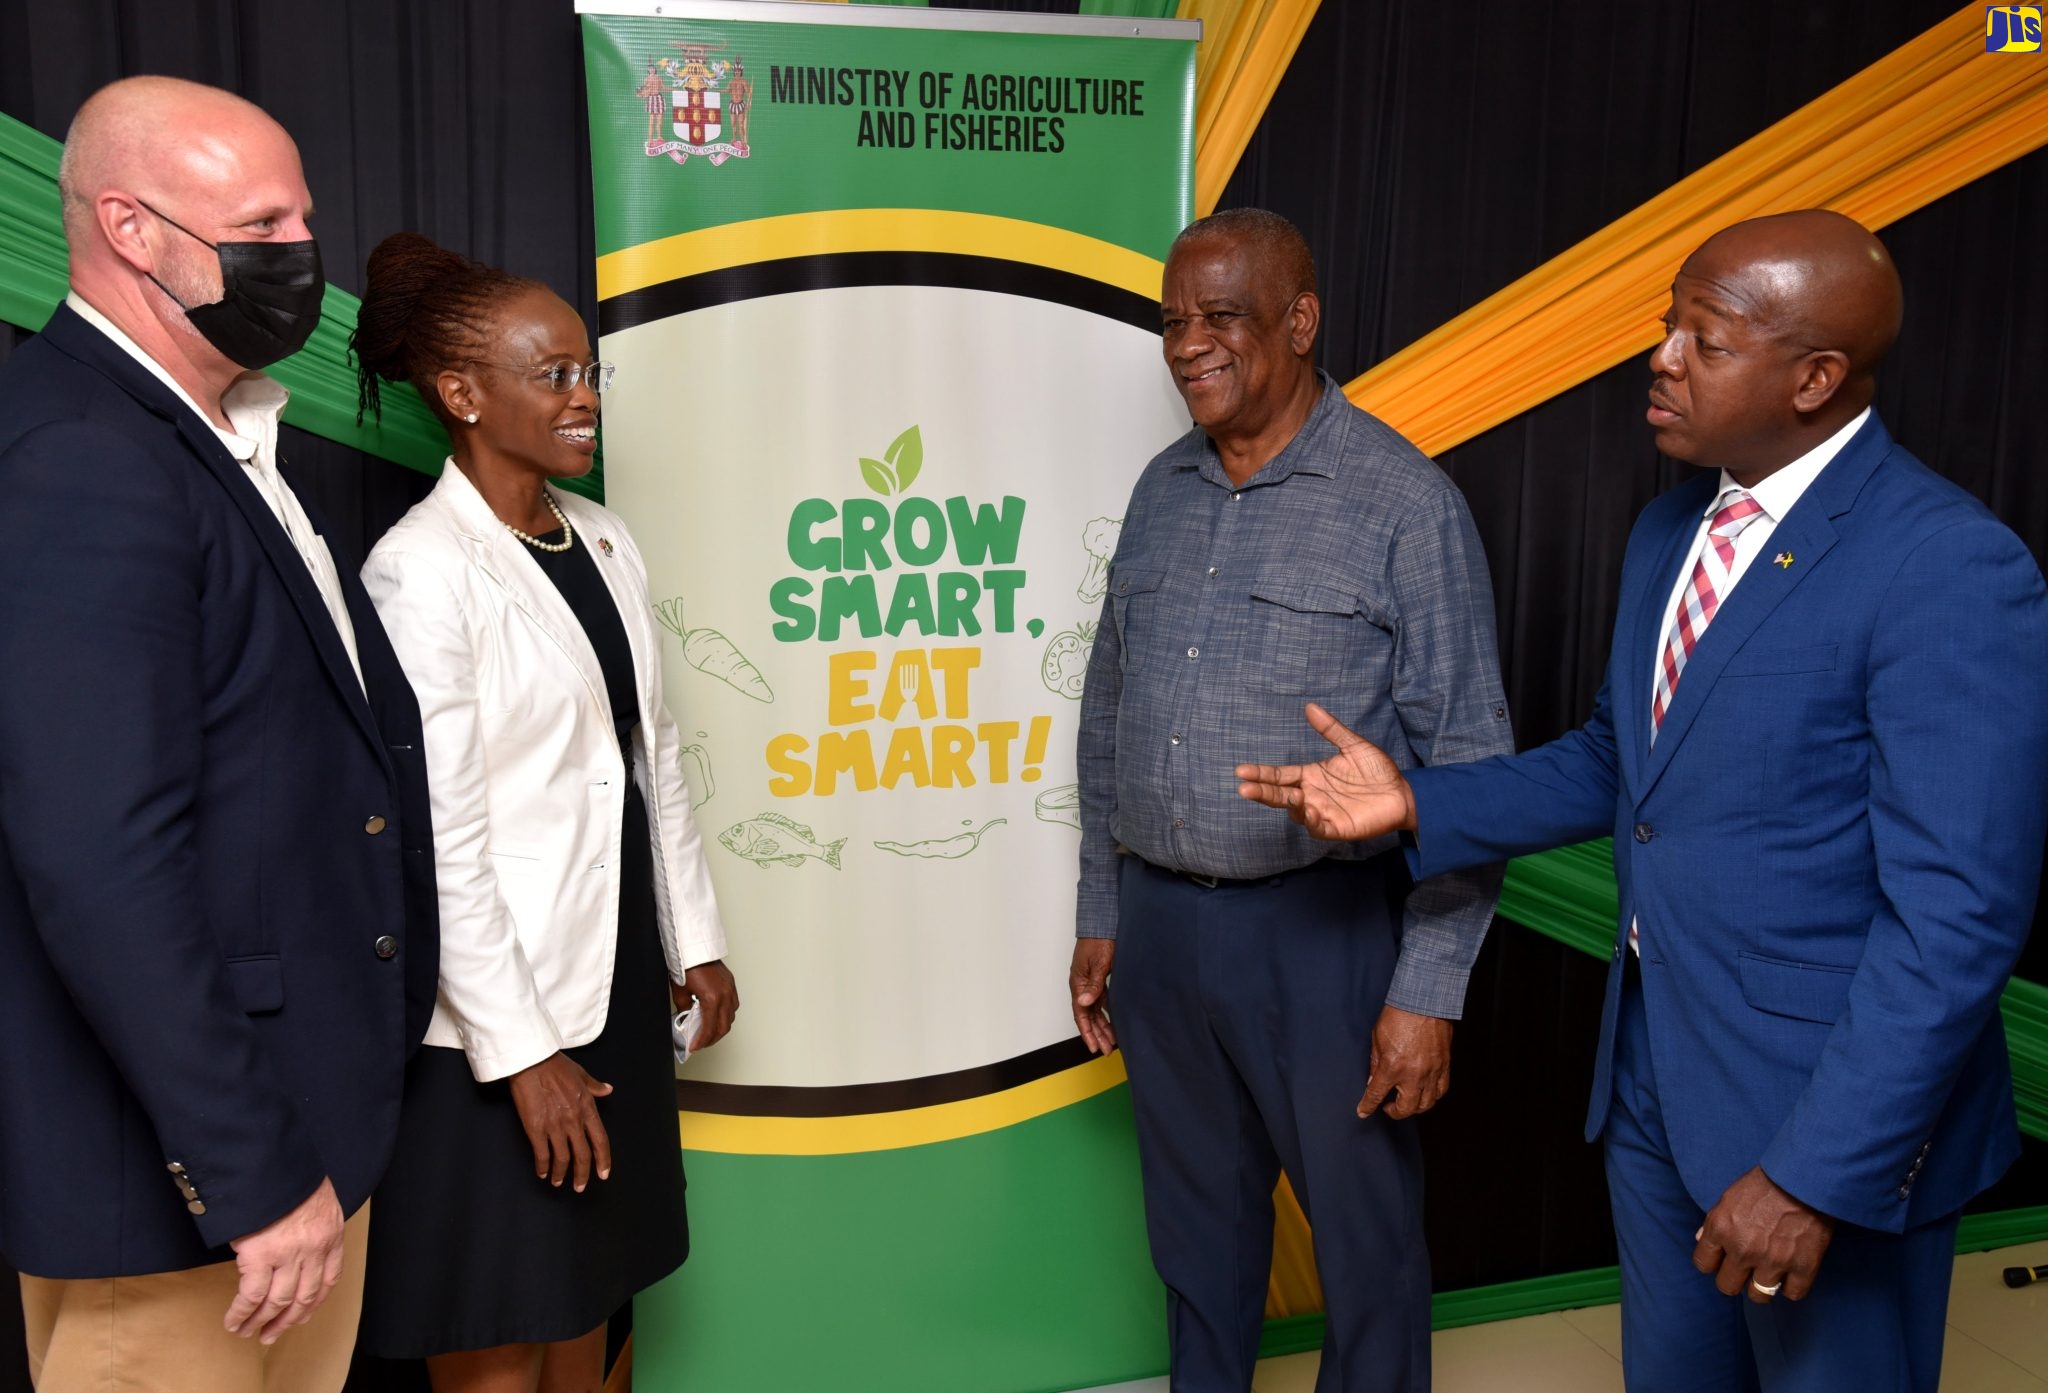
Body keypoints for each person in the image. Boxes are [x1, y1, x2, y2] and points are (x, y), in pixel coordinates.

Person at [1236, 210, 2048, 1391]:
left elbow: (1957, 920)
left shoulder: (1944, 565)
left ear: (1814, 378)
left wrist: (1814, 1173)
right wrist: (1410, 802)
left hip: (1823, 1125)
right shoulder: (1671, 530)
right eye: (1666, 322)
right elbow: (1622, 764)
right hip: (1655, 1086)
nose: (1660, 355)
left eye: (1703, 340)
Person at [0, 77, 438, 1391]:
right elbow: (98, 858)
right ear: (129, 229)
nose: (302, 253)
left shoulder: (222, 434)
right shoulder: (85, 455)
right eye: (262, 222)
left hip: (300, 1143)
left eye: (304, 215)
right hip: (195, 1200)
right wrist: (251, 1172)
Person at [1068, 208, 1514, 1392]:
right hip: (1161, 935)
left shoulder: (1404, 505)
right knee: (1195, 1239)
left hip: (1321, 941)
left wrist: (1427, 993)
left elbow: (1468, 766)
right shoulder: (1158, 491)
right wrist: (1101, 910)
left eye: (1220, 318)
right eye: (1172, 323)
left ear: (1299, 320)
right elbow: (1105, 716)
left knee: (1362, 1251)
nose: (1187, 346)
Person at [348, 232, 738, 1392]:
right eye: (553, 374)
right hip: (491, 1017)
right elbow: (442, 841)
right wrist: (522, 1058)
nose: (583, 399)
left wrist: (695, 937)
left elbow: (650, 754)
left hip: (611, 976)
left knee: (589, 1293)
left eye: (587, 373)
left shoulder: (606, 538)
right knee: (499, 1322)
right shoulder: (417, 572)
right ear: (462, 394)